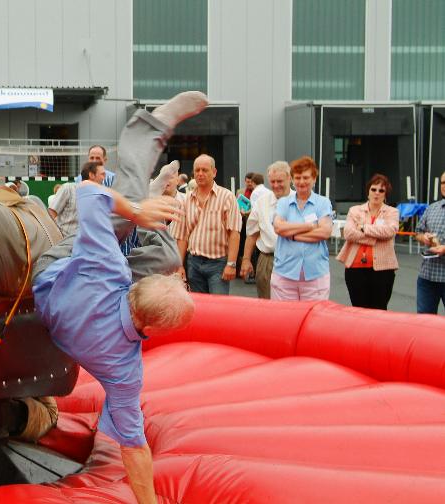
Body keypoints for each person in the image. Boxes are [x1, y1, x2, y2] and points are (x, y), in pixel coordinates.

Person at [34, 91, 207, 504]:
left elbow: (89, 192)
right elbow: (134, 447)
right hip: (68, 284)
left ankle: (147, 176)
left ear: (135, 284)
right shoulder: (125, 372)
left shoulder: (107, 268)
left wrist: (136, 212)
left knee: (131, 220)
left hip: (65, 276)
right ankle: (148, 165)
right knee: (163, 252)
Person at [170, 154, 241, 295]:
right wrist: (179, 266)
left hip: (218, 264)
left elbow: (234, 233)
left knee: (218, 306)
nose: (200, 173)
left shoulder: (227, 197)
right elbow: (182, 237)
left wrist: (231, 264)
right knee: (198, 305)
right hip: (193, 263)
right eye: (197, 170)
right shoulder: (186, 200)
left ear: (214, 172)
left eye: (204, 170)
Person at [271, 156, 333, 301]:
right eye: (297, 178)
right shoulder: (283, 203)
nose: (301, 182)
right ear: (292, 180)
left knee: (313, 314)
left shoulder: (323, 203)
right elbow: (279, 228)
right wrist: (309, 226)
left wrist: (292, 235)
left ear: (314, 179)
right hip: (284, 273)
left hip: (315, 275)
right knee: (285, 315)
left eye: (306, 177)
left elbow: (325, 232)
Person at [336, 174, 399, 310]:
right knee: (359, 310)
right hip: (355, 269)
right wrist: (375, 237)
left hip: (383, 270)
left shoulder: (392, 212)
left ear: (386, 194)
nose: (377, 193)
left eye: (381, 190)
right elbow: (348, 233)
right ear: (368, 191)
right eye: (373, 189)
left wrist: (363, 227)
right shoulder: (355, 210)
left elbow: (389, 231)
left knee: (379, 310)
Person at [240, 161, 293, 299]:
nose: (276, 185)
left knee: (293, 305)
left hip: (294, 259)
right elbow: (252, 234)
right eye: (273, 181)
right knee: (267, 303)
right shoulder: (261, 202)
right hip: (268, 260)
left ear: (290, 178)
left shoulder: (300, 201)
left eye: (280, 181)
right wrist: (246, 260)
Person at [414, 170, 445, 314]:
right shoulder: (432, 208)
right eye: (443, 182)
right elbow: (418, 232)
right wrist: (424, 238)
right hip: (428, 276)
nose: (444, 185)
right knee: (424, 321)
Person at [48, 163, 106, 236]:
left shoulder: (100, 197)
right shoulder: (68, 188)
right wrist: (54, 236)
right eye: (102, 174)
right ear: (91, 175)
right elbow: (51, 213)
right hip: (64, 240)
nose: (104, 178)